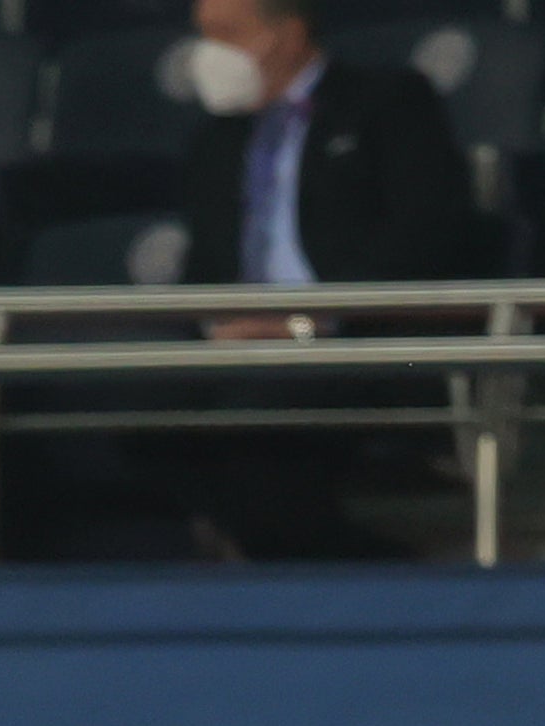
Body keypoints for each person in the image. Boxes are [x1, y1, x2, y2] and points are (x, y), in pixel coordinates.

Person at [173, 0, 473, 558]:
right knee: (104, 400)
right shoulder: (217, 138)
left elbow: (428, 234)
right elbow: (202, 267)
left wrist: (301, 323)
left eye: (226, 35)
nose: (207, 55)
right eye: (202, 36)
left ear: (285, 36)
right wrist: (219, 328)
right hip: (237, 352)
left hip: (363, 344)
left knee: (252, 422)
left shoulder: (389, 101)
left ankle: (362, 580)